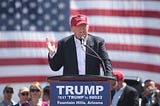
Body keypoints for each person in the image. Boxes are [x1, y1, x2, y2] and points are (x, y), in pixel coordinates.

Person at [46, 14, 113, 76]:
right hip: (72, 85)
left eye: (84, 26)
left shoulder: (98, 42)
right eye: (79, 26)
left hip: (92, 85)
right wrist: (52, 53)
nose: (82, 29)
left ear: (88, 27)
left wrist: (109, 78)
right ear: (72, 28)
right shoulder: (64, 43)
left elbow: (106, 62)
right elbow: (55, 67)